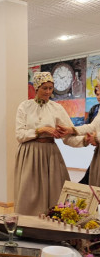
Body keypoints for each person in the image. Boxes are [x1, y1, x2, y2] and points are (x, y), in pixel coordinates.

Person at [14, 71, 79, 216]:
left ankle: (52, 225)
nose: (48, 91)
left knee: (55, 191)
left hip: (50, 154)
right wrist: (41, 130)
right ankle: (27, 225)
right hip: (29, 154)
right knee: (29, 191)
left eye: (51, 88)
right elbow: (19, 135)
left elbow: (68, 135)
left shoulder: (57, 108)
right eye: (45, 88)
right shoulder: (24, 106)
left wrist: (85, 139)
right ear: (36, 88)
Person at [79, 84, 100, 184]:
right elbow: (90, 126)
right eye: (97, 94)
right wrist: (71, 130)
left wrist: (96, 137)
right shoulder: (95, 109)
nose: (98, 97)